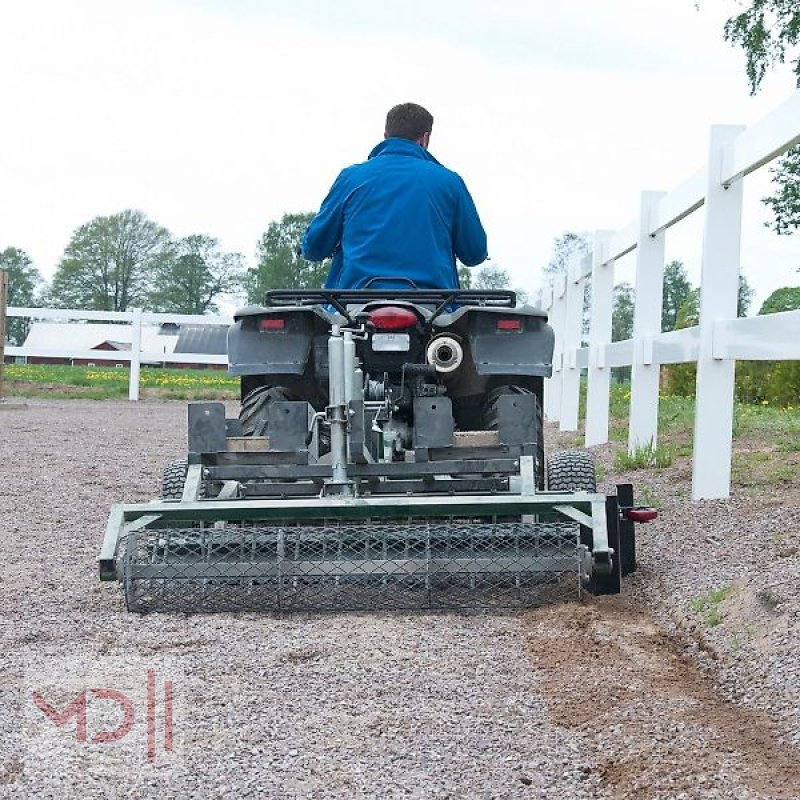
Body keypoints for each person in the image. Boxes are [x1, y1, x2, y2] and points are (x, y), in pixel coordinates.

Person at [301, 102, 488, 290]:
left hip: (354, 302)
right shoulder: (450, 182)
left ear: (385, 136)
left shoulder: (350, 178)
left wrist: (310, 246)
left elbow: (315, 248)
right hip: (434, 304)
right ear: (425, 138)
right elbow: (474, 253)